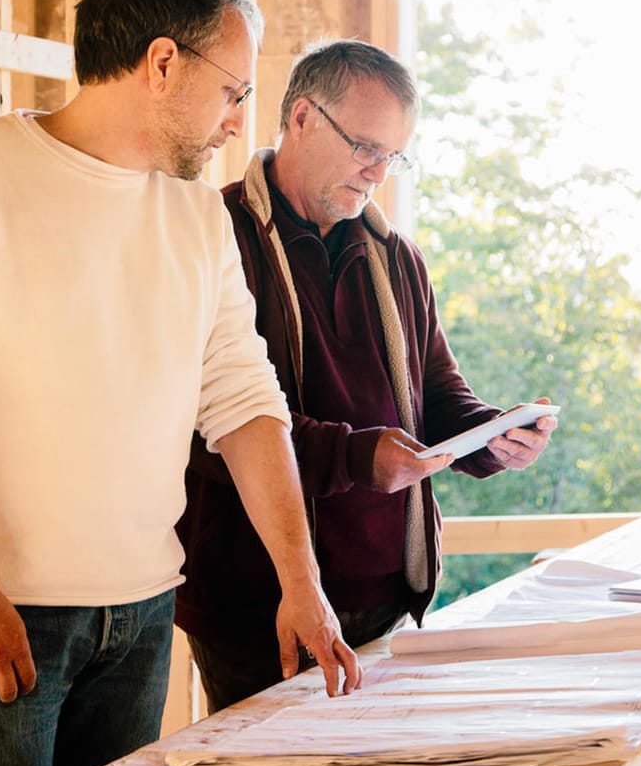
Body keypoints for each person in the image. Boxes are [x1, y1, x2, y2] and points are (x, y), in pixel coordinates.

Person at [0, 0, 359, 766]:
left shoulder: (195, 213)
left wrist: (300, 581)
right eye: (233, 90)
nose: (240, 121)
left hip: (143, 614)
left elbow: (244, 398)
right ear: (162, 64)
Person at [175, 39, 557, 712]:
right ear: (301, 119)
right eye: (365, 147)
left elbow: (435, 395)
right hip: (258, 603)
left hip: (388, 595)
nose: (379, 172)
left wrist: (489, 434)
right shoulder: (215, 236)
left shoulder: (396, 256)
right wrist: (357, 455)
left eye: (393, 155)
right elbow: (204, 421)